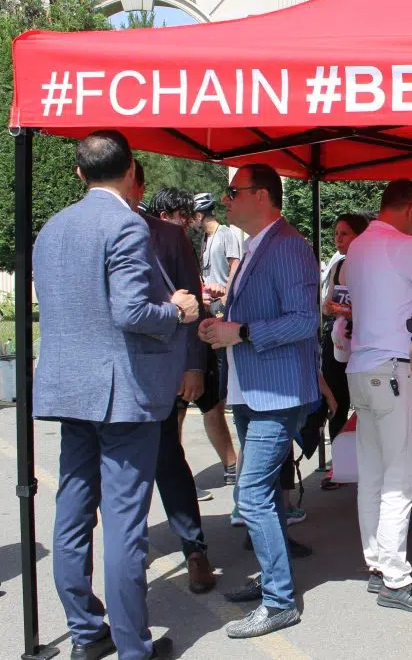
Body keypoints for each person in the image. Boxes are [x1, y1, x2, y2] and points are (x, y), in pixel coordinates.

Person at [34, 131, 198, 660]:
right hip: (122, 392)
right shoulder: (126, 224)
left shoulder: (53, 228)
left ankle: (86, 631)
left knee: (72, 512)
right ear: (131, 171)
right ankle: (133, 647)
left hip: (70, 387)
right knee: (125, 524)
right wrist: (177, 310)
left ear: (79, 174)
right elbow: (131, 312)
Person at [198, 164, 320, 639]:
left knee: (250, 495)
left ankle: (280, 601)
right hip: (256, 390)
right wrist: (222, 321)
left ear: (263, 195)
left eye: (234, 192)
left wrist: (241, 331)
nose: (226, 200)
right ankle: (273, 581)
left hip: (276, 393)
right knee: (261, 493)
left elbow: (304, 320)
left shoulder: (287, 245)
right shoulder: (257, 245)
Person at [344, 180, 412, 613]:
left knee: (372, 474)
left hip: (361, 369)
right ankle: (396, 579)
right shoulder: (406, 245)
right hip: (394, 370)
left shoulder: (357, 246)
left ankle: (377, 564)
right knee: (400, 476)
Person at [138, 186, 218, 593]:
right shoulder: (83, 230)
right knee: (120, 474)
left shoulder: (168, 237)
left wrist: (193, 365)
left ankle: (194, 549)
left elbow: (192, 305)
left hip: (159, 374)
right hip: (110, 380)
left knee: (168, 462)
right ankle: (130, 551)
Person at [320, 213, 371, 490]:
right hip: (338, 341)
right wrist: (334, 308)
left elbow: (375, 309)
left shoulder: (371, 267)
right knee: (337, 402)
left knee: (367, 404)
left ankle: (366, 462)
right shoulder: (338, 264)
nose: (338, 239)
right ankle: (337, 465)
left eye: (345, 234)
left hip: (364, 344)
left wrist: (349, 312)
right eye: (336, 234)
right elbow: (326, 303)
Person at [193, 192, 240, 486]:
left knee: (223, 363)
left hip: (222, 305)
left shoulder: (226, 234)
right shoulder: (204, 240)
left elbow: (234, 266)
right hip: (208, 304)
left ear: (201, 215)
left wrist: (227, 297)